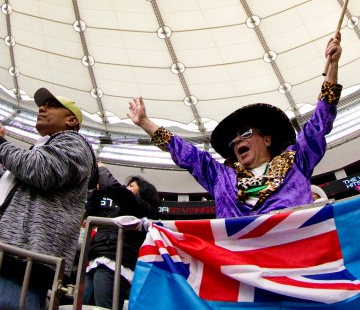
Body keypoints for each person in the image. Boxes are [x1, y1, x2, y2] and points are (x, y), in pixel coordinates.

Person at [127, 33, 343, 219]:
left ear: (267, 139)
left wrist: (332, 65)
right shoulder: (221, 177)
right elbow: (187, 155)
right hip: (241, 252)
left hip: (294, 247)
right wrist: (145, 122)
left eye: (245, 133)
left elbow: (319, 124)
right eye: (233, 141)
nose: (237, 140)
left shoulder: (296, 161)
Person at [0, 86, 98, 310]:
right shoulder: (40, 147)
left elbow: (39, 170)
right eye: (42, 105)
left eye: (52, 106)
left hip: (27, 251)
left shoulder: (76, 143)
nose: (42, 108)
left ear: (71, 120)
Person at [83, 167, 160, 310]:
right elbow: (90, 216)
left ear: (142, 192)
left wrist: (102, 169)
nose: (126, 187)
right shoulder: (116, 213)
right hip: (96, 262)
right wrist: (98, 191)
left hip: (114, 266)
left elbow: (118, 191)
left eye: (131, 186)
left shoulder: (143, 209)